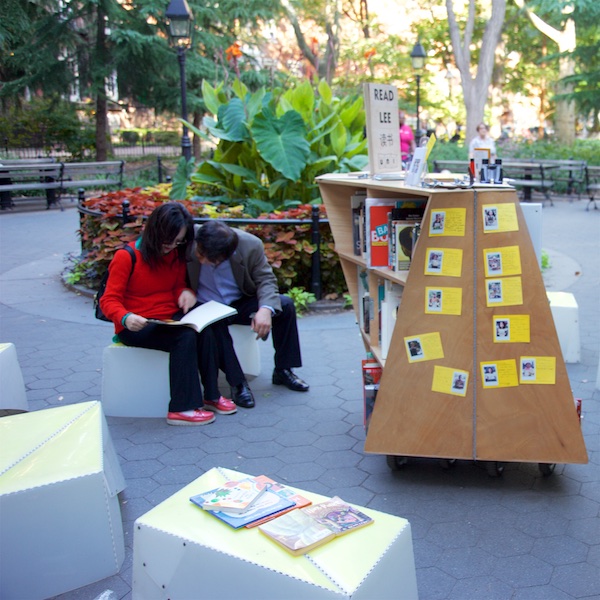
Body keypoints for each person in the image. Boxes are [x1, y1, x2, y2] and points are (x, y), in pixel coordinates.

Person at [100, 202, 237, 426]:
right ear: (155, 231)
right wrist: (126, 317)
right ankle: (182, 408)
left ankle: (211, 395)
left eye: (179, 241)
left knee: (205, 328)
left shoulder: (174, 254)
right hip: (137, 325)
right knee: (185, 336)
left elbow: (176, 285)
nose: (173, 246)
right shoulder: (126, 257)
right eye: (169, 240)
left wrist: (185, 292)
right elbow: (109, 299)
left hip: (168, 319)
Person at [188, 220, 309, 408]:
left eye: (208, 259)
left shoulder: (249, 245)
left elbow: (266, 279)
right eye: (200, 254)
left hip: (239, 300)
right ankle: (238, 384)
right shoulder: (191, 238)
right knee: (215, 323)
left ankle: (283, 370)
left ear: (226, 256)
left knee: (285, 306)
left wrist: (265, 309)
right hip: (205, 304)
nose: (201, 260)